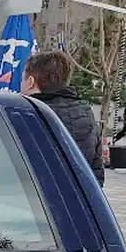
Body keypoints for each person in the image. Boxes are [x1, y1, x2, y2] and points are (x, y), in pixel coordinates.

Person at [22, 50, 105, 184]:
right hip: (75, 201)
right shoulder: (86, 112)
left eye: (22, 80)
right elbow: (96, 172)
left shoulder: (27, 114)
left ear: (30, 82)